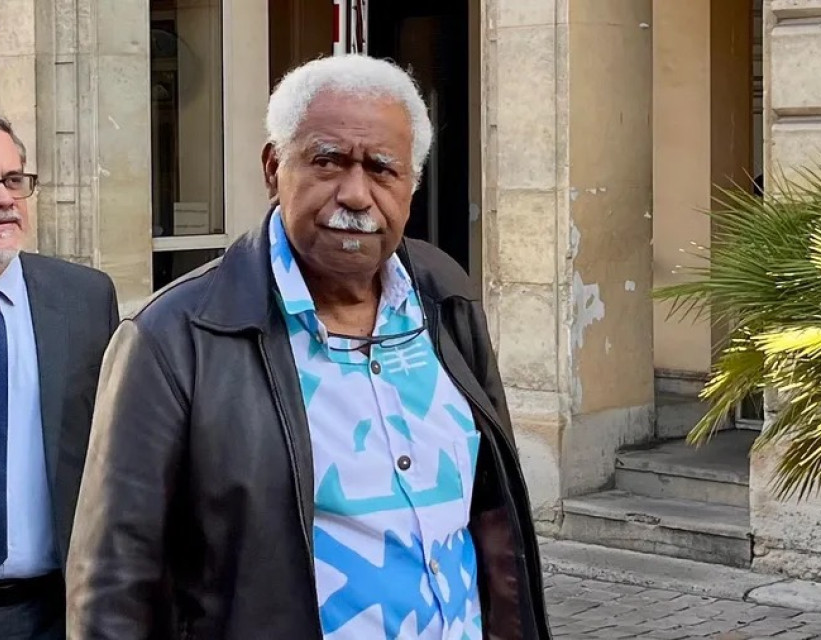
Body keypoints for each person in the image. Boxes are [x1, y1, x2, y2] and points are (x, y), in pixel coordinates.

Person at [66, 55, 551, 640]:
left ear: (412, 184)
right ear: (274, 168)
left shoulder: (445, 296)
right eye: (328, 161)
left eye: (383, 169)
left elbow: (492, 515)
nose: (356, 195)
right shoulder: (174, 337)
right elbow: (113, 581)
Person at [0, 117, 119, 640]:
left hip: (57, 611)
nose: (6, 200)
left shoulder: (85, 300)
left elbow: (120, 454)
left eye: (13, 180)